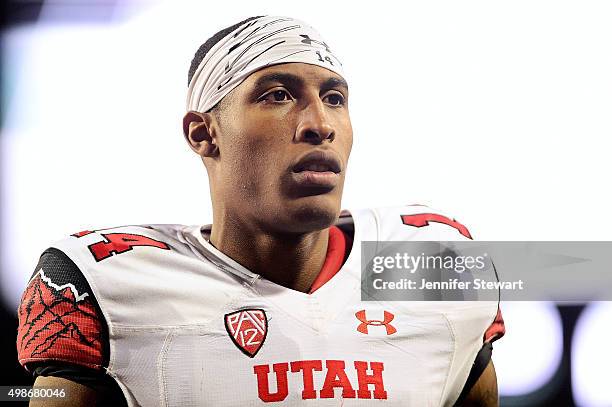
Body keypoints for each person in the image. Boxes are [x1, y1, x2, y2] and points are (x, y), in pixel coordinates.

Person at [17, 15, 504, 406]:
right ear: (203, 134)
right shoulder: (101, 284)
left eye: (334, 99)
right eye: (278, 95)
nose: (319, 124)